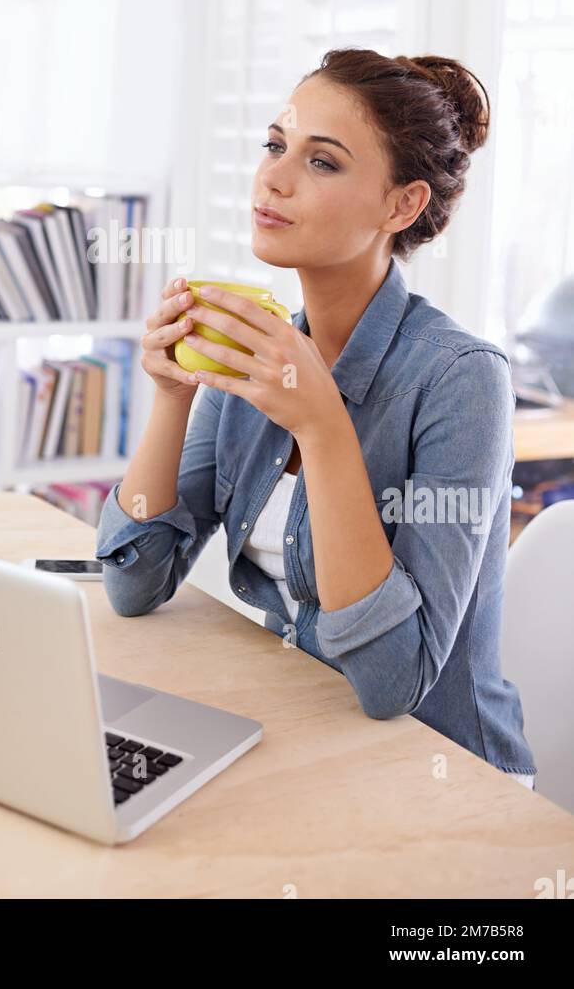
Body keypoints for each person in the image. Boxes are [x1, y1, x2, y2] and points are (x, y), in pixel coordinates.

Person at [95, 48, 537, 789]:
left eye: (322, 162)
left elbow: (393, 685)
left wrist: (323, 426)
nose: (273, 176)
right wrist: (171, 395)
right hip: (303, 738)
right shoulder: (259, 348)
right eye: (275, 145)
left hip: (444, 778)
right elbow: (133, 585)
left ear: (401, 206)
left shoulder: (461, 380)